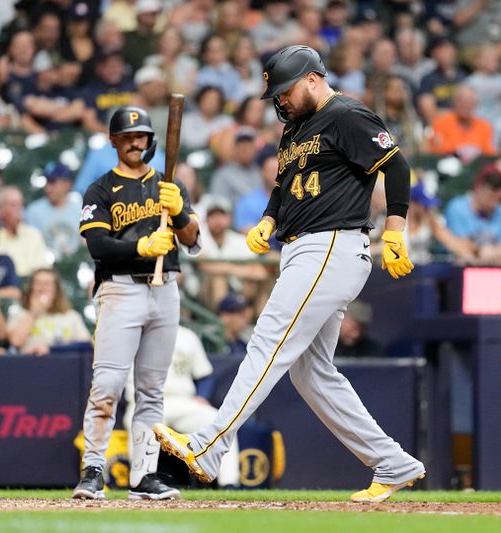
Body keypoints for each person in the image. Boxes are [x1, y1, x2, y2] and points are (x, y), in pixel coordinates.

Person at [153, 45, 425, 503]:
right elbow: (284, 186)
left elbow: (395, 164)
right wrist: (268, 219)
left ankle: (208, 446)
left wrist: (395, 229)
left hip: (331, 244)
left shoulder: (347, 115)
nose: (280, 101)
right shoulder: (294, 130)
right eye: (275, 95)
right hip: (304, 248)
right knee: (310, 372)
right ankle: (392, 463)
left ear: (314, 79)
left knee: (268, 342)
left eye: (285, 91)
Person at [72, 106, 200, 501]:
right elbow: (97, 245)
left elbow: (194, 240)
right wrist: (141, 247)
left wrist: (178, 212)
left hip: (166, 291)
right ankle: (94, 468)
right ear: (114, 141)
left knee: (151, 390)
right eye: (127, 137)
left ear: (149, 140)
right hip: (121, 289)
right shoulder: (100, 188)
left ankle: (144, 474)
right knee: (108, 384)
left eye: (140, 136)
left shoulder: (168, 184)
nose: (135, 142)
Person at [124, 326, 241, 488]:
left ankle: (230, 483)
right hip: (144, 402)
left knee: (219, 421)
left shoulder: (186, 335)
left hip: (182, 400)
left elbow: (204, 374)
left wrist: (202, 396)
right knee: (139, 423)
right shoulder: (131, 334)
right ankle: (141, 480)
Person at [6, 268, 90, 356]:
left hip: (63, 365)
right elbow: (15, 342)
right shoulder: (19, 313)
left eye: (47, 284)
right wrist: (34, 313)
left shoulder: (71, 316)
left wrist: (52, 350)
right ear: (31, 288)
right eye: (38, 283)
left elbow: (85, 344)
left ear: (56, 289)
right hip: (30, 365)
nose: (42, 288)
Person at [444, 172, 501, 266]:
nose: (492, 202)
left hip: (493, 264)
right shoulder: (457, 207)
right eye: (489, 196)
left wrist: (494, 252)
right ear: (479, 190)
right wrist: (481, 249)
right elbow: (457, 243)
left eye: (497, 197)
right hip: (458, 264)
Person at [24, 161, 83, 259]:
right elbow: (29, 247)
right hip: (44, 266)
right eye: (47, 182)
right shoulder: (33, 211)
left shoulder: (81, 210)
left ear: (67, 184)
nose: (48, 188)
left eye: (52, 183)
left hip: (76, 267)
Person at [426, 85, 496, 163]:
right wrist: (458, 151)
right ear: (454, 102)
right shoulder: (441, 123)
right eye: (462, 101)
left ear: (475, 105)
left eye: (470, 102)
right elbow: (435, 151)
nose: (466, 105)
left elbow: (490, 154)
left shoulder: (484, 126)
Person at [0, 186, 50, 278]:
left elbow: (42, 267)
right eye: (13, 205)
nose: (18, 210)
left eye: (20, 205)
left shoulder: (33, 234)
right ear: (0, 209)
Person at [217, 293, 252, 359]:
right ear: (225, 316)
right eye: (240, 314)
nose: (245, 318)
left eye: (244, 314)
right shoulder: (210, 341)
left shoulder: (244, 345)